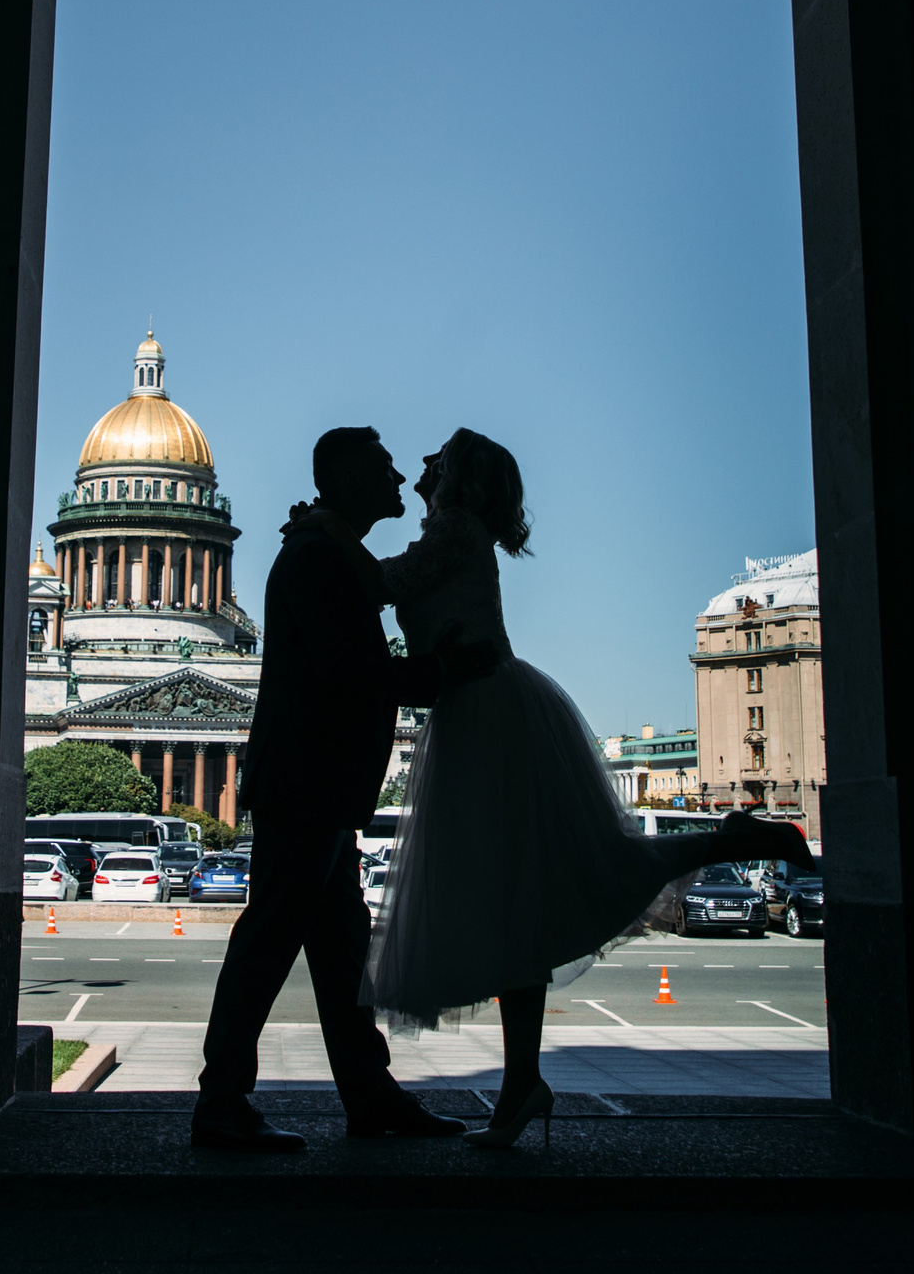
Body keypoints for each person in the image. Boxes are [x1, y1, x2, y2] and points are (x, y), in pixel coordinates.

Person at [306, 428, 814, 1149]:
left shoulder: (452, 529)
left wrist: (323, 526)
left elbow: (382, 584)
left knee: (535, 896)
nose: (424, 464)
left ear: (462, 481)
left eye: (439, 460)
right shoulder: (459, 529)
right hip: (486, 713)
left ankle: (523, 1082)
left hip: (482, 718)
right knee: (534, 902)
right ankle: (521, 1084)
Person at [191, 427, 500, 1153]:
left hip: (316, 786)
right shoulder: (318, 557)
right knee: (268, 944)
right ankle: (223, 1100)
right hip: (308, 784)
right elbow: (346, 675)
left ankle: (369, 1097)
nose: (400, 478)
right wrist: (440, 672)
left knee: (337, 951)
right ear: (351, 480)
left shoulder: (329, 551)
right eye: (385, 468)